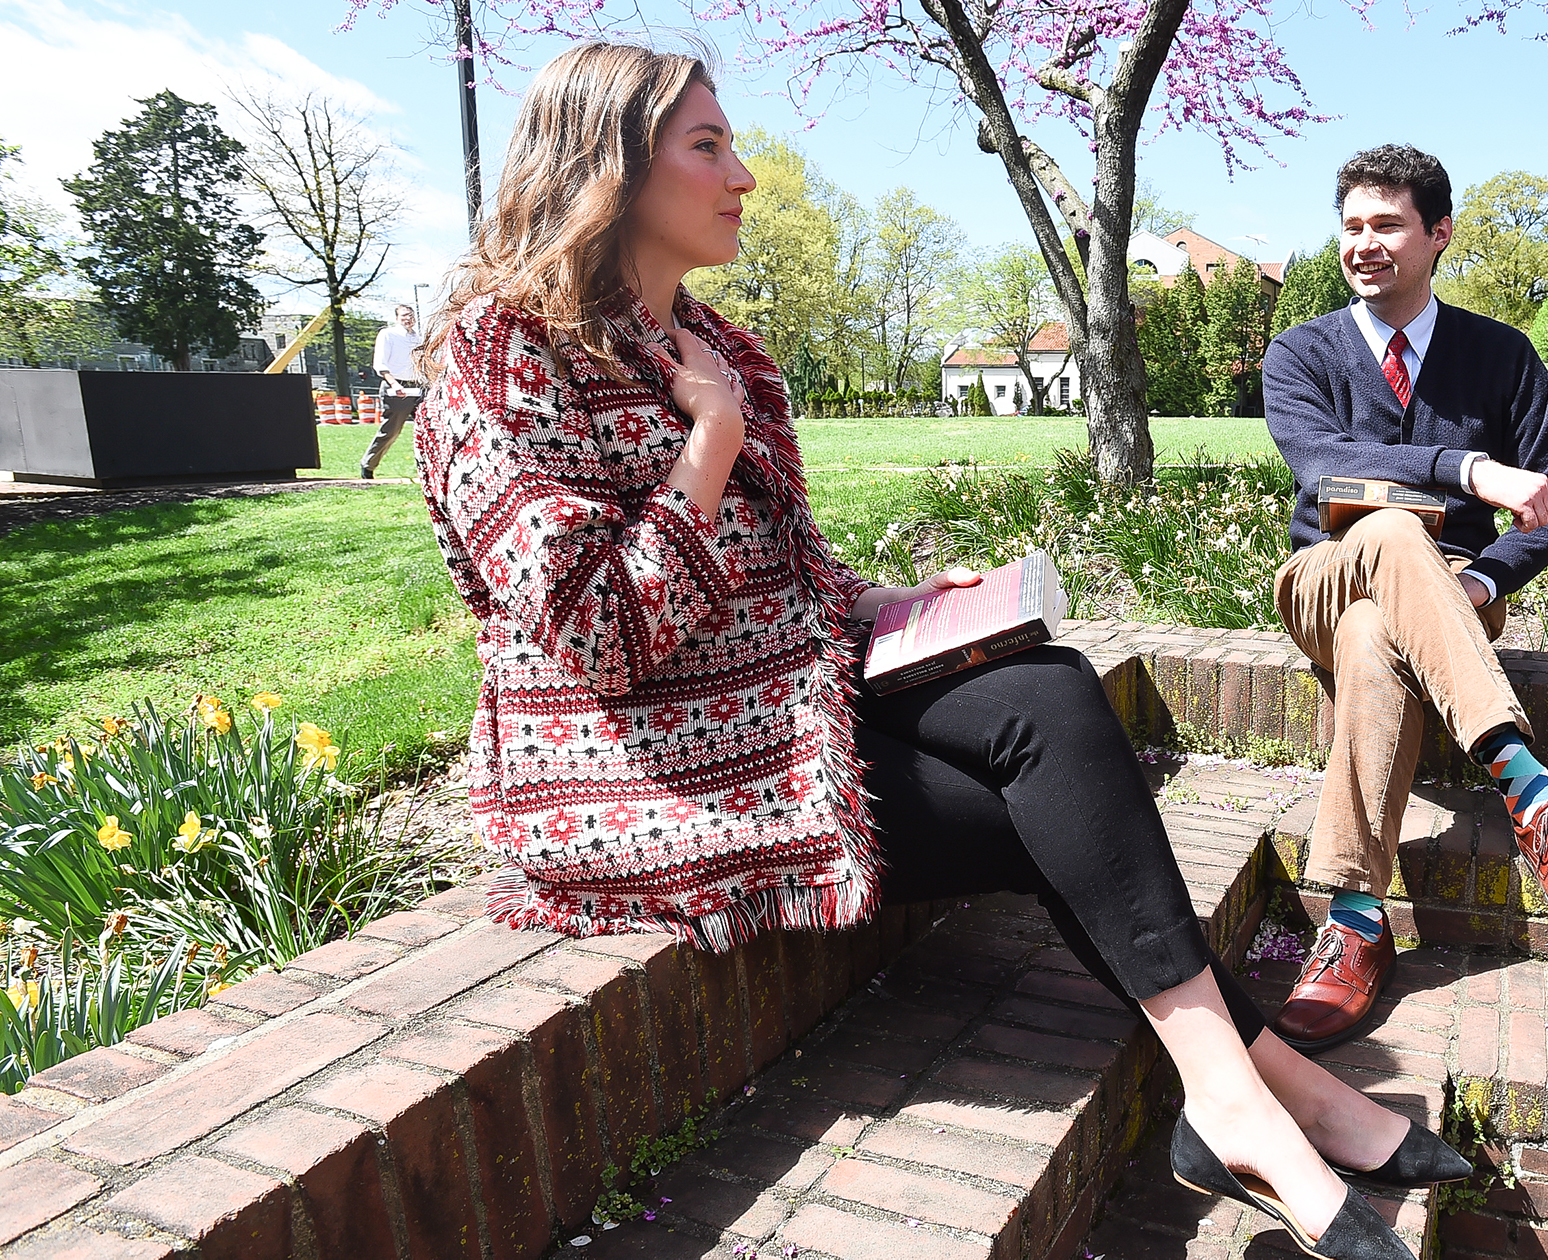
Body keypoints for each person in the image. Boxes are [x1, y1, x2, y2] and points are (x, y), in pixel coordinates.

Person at [410, 43, 1455, 1260]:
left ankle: (1238, 1099)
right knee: (1060, 785)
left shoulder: (720, 347)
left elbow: (780, 576)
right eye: (708, 147)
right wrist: (708, 440)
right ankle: (1273, 1092)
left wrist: (901, 600)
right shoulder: (502, 357)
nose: (742, 174)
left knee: (1048, 695)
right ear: (609, 168)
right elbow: (603, 638)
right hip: (646, 771)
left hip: (785, 701)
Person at [1261, 145, 1548, 1054]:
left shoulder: (1502, 357)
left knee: (1374, 641)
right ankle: (1533, 794)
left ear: (1437, 235)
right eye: (1351, 226)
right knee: (1388, 541)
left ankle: (1355, 923)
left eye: (1386, 225)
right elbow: (1321, 468)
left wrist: (1481, 577)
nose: (1363, 244)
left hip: (1455, 595)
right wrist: (1467, 469)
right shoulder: (1300, 352)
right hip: (1324, 573)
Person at [361, 304, 424, 479]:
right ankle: (368, 465)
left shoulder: (418, 338)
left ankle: (430, 468)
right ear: (396, 318)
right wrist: (394, 385)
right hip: (396, 387)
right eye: (404, 315)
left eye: (411, 315)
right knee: (392, 430)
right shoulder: (388, 334)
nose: (408, 318)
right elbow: (380, 364)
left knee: (430, 427)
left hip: (418, 387)